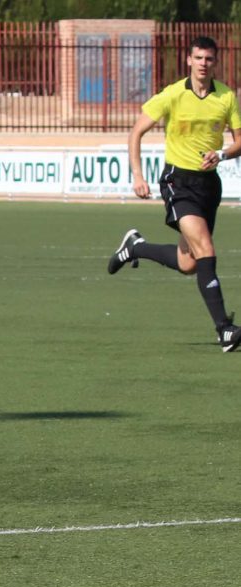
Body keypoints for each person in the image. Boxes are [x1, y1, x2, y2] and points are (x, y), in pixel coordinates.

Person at [108, 35, 241, 353]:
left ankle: (136, 248)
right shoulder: (171, 95)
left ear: (215, 62)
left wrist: (221, 154)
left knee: (189, 262)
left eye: (208, 59)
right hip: (177, 182)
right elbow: (136, 132)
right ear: (189, 60)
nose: (203, 64)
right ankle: (225, 329)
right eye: (198, 58)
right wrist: (138, 176)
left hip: (209, 186)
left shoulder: (226, 97)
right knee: (206, 248)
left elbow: (240, 140)